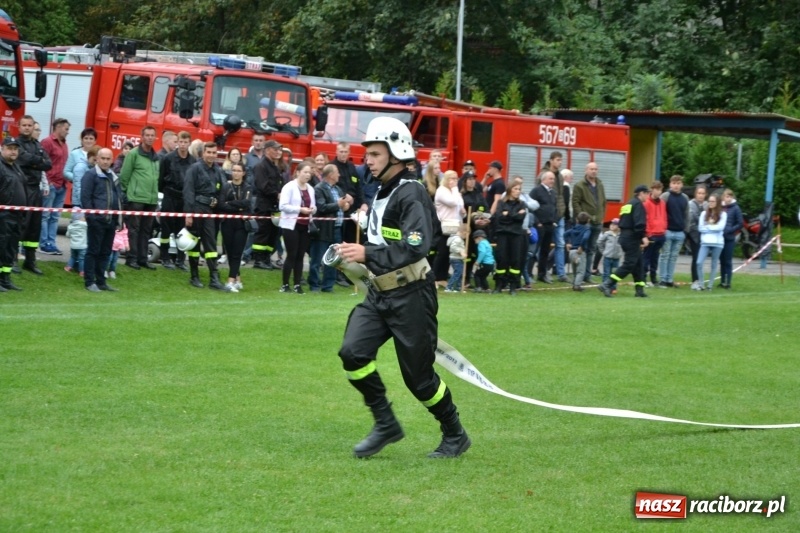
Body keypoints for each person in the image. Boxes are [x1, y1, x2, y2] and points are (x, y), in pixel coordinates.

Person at [336, 116, 470, 459]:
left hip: (412, 295)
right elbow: (383, 243)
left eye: (376, 154)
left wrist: (367, 251)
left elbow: (416, 246)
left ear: (397, 153)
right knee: (353, 352)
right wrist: (352, 258)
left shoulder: (411, 194)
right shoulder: (382, 192)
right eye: (368, 154)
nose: (368, 160)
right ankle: (385, 423)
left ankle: (454, 433)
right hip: (379, 293)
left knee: (419, 379)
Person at [183, 142, 229, 291]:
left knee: (211, 244)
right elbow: (188, 191)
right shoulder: (194, 169)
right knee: (194, 245)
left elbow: (221, 189)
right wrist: (189, 214)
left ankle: (214, 278)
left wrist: (217, 202)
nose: (211, 155)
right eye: (208, 152)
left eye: (214, 152)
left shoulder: (217, 170)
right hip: (196, 208)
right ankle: (194, 276)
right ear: (203, 153)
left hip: (209, 211)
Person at [81, 148, 122, 292]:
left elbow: (118, 198)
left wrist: (119, 219)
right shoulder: (90, 175)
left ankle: (101, 281)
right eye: (102, 158)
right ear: (97, 159)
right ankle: (89, 281)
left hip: (111, 221)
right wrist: (91, 218)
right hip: (96, 221)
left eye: (108, 158)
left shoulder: (113, 176)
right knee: (93, 251)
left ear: (112, 160)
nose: (105, 161)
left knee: (105, 252)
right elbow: (85, 199)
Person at [598, 185, 650, 298]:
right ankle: (607, 284)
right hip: (632, 237)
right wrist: (643, 236)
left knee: (638, 264)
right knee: (629, 264)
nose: (648, 195)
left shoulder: (628, 204)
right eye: (647, 193)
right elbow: (639, 224)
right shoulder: (638, 205)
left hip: (625, 236)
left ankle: (639, 290)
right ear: (641, 193)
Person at [16, 115, 52, 275]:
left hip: (36, 189)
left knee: (34, 227)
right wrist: (37, 161)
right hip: (20, 189)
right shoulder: (15, 144)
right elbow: (21, 159)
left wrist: (33, 161)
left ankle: (30, 261)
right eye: (24, 125)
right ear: (19, 126)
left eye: (30, 125)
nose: (27, 128)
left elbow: (48, 164)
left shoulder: (37, 145)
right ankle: (12, 259)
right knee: (19, 225)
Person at [120, 125, 160, 270]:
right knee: (134, 229)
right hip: (136, 198)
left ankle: (143, 259)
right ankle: (131, 258)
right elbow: (124, 176)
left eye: (152, 135)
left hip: (151, 199)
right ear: (142, 137)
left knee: (146, 230)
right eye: (147, 135)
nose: (150, 137)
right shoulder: (133, 154)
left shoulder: (156, 157)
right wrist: (128, 193)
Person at [158, 131, 195, 270]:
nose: (183, 145)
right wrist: (166, 192)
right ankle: (165, 258)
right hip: (169, 196)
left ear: (189, 143)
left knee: (182, 230)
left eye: (186, 142)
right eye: (181, 142)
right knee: (166, 229)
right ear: (177, 142)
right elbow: (161, 179)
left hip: (184, 198)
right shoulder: (168, 158)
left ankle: (180, 260)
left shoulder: (193, 161)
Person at [278, 161, 317, 293]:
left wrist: (312, 209)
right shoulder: (289, 187)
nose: (308, 175)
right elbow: (282, 206)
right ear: (298, 172)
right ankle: (285, 284)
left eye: (309, 172)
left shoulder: (310, 189)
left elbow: (314, 206)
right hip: (291, 225)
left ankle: (297, 284)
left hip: (305, 226)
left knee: (301, 255)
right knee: (292, 254)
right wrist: (300, 209)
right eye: (305, 172)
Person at [310, 164, 348, 292]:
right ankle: (314, 285)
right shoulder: (319, 189)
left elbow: (342, 205)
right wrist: (338, 204)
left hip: (337, 228)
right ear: (330, 174)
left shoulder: (338, 189)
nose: (339, 175)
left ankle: (328, 286)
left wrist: (345, 205)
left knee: (333, 259)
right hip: (323, 229)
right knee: (317, 258)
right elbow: (322, 207)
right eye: (337, 172)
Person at [218, 162, 251, 292]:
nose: (236, 173)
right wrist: (238, 206)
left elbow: (247, 203)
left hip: (242, 224)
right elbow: (221, 205)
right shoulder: (226, 186)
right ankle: (238, 279)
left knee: (237, 253)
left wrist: (230, 204)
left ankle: (230, 280)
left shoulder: (247, 187)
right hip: (227, 223)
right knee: (230, 252)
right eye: (234, 170)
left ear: (243, 173)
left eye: (238, 171)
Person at [571, 162, 606, 283]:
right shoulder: (579, 185)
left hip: (598, 221)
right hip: (586, 222)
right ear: (586, 170)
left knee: (592, 249)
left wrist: (602, 216)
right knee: (582, 248)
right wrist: (582, 217)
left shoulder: (600, 184)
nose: (594, 171)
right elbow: (575, 203)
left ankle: (587, 275)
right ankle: (579, 275)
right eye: (591, 169)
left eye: (596, 169)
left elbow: (603, 201)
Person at [251, 139, 284, 270]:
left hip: (274, 206)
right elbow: (263, 186)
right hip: (264, 205)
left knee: (273, 233)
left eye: (279, 149)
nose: (278, 152)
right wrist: (277, 194)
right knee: (263, 232)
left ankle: (266, 258)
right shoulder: (261, 166)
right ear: (267, 150)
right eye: (275, 149)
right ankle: (258, 260)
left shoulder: (274, 166)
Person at [39, 118, 71, 255]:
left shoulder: (64, 144)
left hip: (62, 185)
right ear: (57, 127)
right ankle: (44, 243)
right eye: (66, 128)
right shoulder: (47, 142)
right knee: (45, 215)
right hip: (51, 184)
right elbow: (41, 163)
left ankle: (52, 243)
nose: (68, 132)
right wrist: (48, 182)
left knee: (55, 217)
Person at [0, 137, 27, 291]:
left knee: (10, 249)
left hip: (17, 216)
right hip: (4, 215)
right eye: (10, 148)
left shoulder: (16, 167)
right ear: (2, 148)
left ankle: (5, 279)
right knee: (1, 247)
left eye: (15, 149)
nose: (13, 151)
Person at [491, 180, 527, 294]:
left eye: (519, 189)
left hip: (516, 234)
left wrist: (508, 214)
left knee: (515, 260)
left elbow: (520, 218)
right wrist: (514, 215)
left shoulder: (522, 204)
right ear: (510, 190)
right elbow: (499, 217)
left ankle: (513, 286)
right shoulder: (501, 203)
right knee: (502, 259)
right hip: (503, 234)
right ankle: (499, 285)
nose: (517, 191)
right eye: (515, 189)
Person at [657, 175, 690, 288]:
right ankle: (662, 279)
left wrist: (686, 230)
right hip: (667, 231)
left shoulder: (685, 198)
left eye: (678, 183)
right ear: (670, 184)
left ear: (682, 185)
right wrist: (662, 228)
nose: (676, 185)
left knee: (674, 256)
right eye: (674, 183)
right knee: (665, 255)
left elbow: (687, 215)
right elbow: (659, 212)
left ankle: (669, 279)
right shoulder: (665, 196)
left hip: (680, 232)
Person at [540, 151, 568, 282]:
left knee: (560, 244)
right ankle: (540, 271)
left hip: (559, 214)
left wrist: (562, 211)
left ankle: (561, 273)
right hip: (547, 216)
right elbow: (539, 194)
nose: (560, 162)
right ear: (550, 160)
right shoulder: (543, 174)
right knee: (542, 245)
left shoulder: (560, 176)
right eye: (557, 160)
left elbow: (560, 196)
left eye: (561, 160)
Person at [433, 170, 464, 286]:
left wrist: (463, 212)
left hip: (455, 224)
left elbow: (460, 205)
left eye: (456, 179)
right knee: (442, 252)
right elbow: (453, 202)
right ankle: (434, 278)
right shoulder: (442, 191)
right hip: (444, 225)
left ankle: (442, 277)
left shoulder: (454, 192)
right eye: (452, 178)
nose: (454, 181)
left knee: (448, 253)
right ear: (446, 179)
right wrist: (456, 189)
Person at [331, 142, 361, 244]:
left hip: (353, 205)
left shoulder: (351, 166)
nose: (343, 154)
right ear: (336, 152)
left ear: (349, 153)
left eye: (345, 152)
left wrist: (362, 203)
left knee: (352, 235)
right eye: (341, 151)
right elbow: (331, 185)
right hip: (340, 204)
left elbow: (358, 185)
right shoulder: (332, 166)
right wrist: (344, 195)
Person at [531, 171, 558, 284]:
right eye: (550, 179)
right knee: (534, 250)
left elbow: (555, 207)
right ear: (544, 180)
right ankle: (528, 273)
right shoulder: (536, 191)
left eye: (553, 179)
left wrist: (554, 221)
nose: (552, 181)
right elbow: (531, 207)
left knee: (545, 251)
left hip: (549, 225)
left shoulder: (553, 193)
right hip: (539, 225)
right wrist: (537, 222)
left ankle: (542, 274)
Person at [696, 194, 727, 291]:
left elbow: (720, 228)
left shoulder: (723, 214)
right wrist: (712, 228)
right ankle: (701, 284)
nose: (710, 203)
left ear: (717, 202)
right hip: (705, 242)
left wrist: (708, 227)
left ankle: (710, 285)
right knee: (699, 262)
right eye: (709, 201)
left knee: (714, 264)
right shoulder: (704, 214)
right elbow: (700, 228)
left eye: (713, 201)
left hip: (717, 243)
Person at [642, 181, 666, 286]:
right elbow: (645, 219)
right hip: (651, 234)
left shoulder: (662, 203)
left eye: (660, 189)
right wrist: (648, 233)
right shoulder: (646, 202)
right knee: (646, 258)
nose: (659, 192)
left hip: (661, 234)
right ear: (652, 189)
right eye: (656, 189)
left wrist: (664, 228)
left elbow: (664, 217)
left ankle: (653, 278)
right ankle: (643, 278)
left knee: (655, 258)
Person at [719, 189, 743, 289]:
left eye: (730, 196)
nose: (728, 198)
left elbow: (740, 223)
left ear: (732, 197)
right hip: (720, 237)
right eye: (726, 196)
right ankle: (722, 281)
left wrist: (731, 230)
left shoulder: (736, 208)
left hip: (729, 238)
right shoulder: (720, 207)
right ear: (723, 197)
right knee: (722, 260)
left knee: (728, 260)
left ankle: (728, 282)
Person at [64, 127, 97, 200]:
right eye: (86, 138)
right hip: (78, 192)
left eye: (91, 138)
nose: (88, 141)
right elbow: (66, 172)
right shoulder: (74, 153)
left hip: (94, 191)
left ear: (95, 141)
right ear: (82, 140)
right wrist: (77, 178)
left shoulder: (99, 153)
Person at [564, 212, 592, 291]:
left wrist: (567, 243)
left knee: (575, 270)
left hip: (572, 252)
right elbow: (585, 238)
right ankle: (577, 285)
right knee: (581, 271)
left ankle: (574, 283)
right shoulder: (587, 229)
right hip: (580, 252)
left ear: (576, 220)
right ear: (588, 221)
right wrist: (582, 246)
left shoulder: (573, 228)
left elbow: (565, 234)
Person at [687, 186, 708, 290]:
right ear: (696, 194)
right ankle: (695, 280)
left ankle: (700, 279)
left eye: (703, 193)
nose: (701, 195)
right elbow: (693, 219)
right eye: (699, 193)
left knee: (701, 258)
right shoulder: (691, 204)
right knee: (696, 257)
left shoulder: (706, 204)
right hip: (693, 233)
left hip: (704, 235)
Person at [596, 218, 623, 291]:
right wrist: (603, 252)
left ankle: (613, 288)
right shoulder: (607, 234)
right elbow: (599, 242)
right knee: (606, 273)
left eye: (614, 224)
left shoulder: (621, 235)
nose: (612, 226)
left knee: (614, 274)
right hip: (607, 257)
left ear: (618, 226)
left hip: (616, 258)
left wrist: (620, 252)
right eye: (611, 224)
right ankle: (605, 287)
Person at [64, 209, 88, 276]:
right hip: (83, 246)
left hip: (73, 246)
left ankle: (68, 267)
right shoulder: (85, 225)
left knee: (73, 257)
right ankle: (82, 271)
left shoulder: (70, 226)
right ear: (81, 218)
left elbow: (67, 235)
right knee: (81, 259)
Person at [445, 225, 468, 293]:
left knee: (460, 273)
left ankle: (458, 287)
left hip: (458, 258)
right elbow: (453, 247)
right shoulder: (457, 239)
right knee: (457, 273)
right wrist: (461, 251)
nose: (466, 237)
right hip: (456, 258)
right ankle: (449, 287)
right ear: (462, 232)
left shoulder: (459, 239)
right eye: (466, 235)